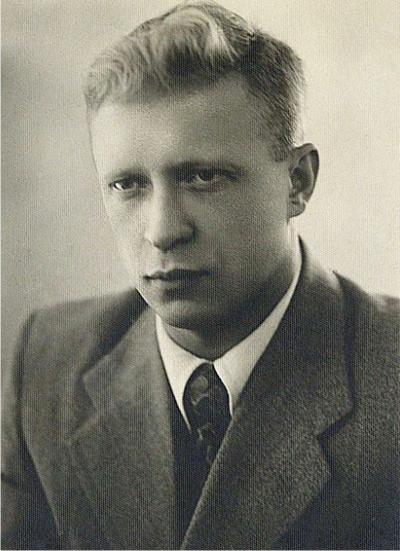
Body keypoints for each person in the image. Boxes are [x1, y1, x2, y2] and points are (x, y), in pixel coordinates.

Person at [2, 2, 399, 549]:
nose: (163, 231)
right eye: (127, 185)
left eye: (203, 177)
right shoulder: (49, 364)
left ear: (297, 182)